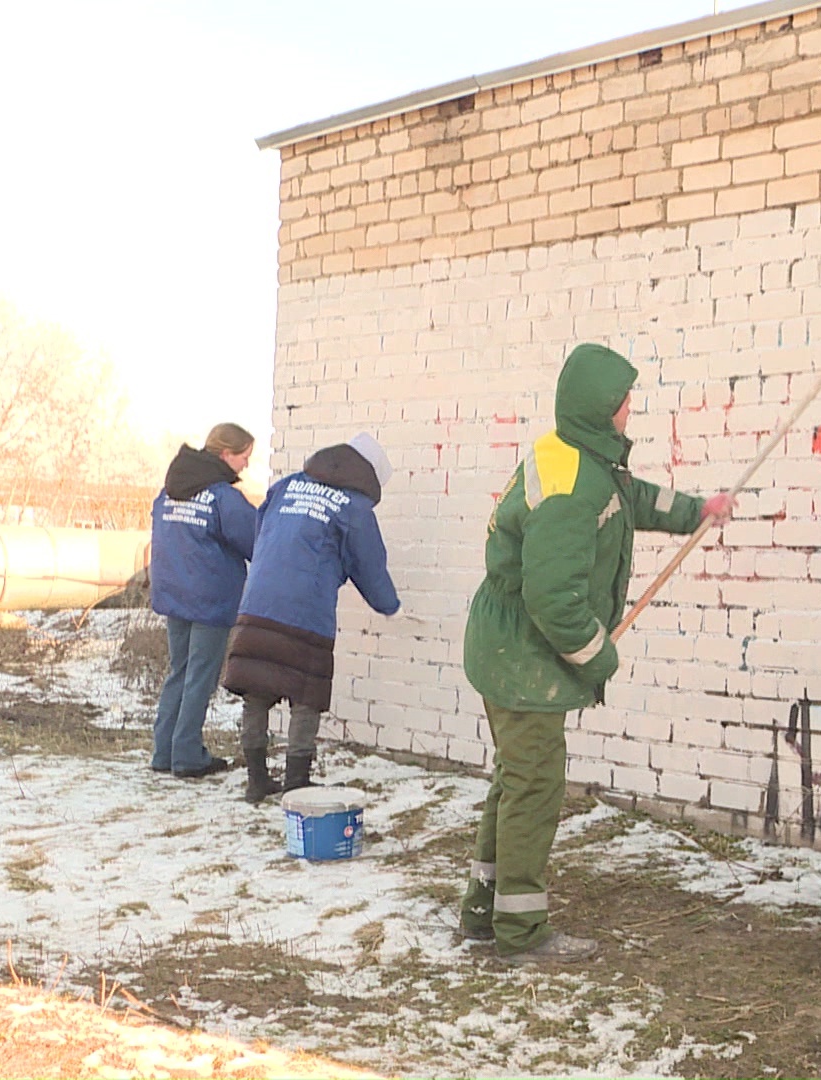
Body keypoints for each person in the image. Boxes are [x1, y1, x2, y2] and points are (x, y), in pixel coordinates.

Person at [458, 343, 734, 965]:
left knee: (515, 780)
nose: (630, 409)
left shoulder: (583, 457)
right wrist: (597, 656)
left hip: (509, 645)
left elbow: (633, 501)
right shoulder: (569, 487)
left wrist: (700, 511)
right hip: (522, 654)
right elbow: (553, 598)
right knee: (533, 787)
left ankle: (483, 910)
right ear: (599, 406)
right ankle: (520, 933)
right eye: (623, 400)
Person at [220, 433, 400, 803]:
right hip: (306, 610)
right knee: (306, 695)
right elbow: (368, 565)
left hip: (257, 604)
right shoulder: (353, 506)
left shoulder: (287, 485)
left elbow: (261, 532)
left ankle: (256, 781)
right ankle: (296, 783)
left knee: (256, 692)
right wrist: (389, 605)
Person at [148, 423, 257, 779]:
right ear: (225, 454)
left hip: (174, 595)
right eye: (244, 457)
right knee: (200, 677)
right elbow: (255, 541)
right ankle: (188, 755)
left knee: (179, 672)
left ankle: (164, 751)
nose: (245, 465)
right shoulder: (222, 497)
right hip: (209, 598)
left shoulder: (169, 492)